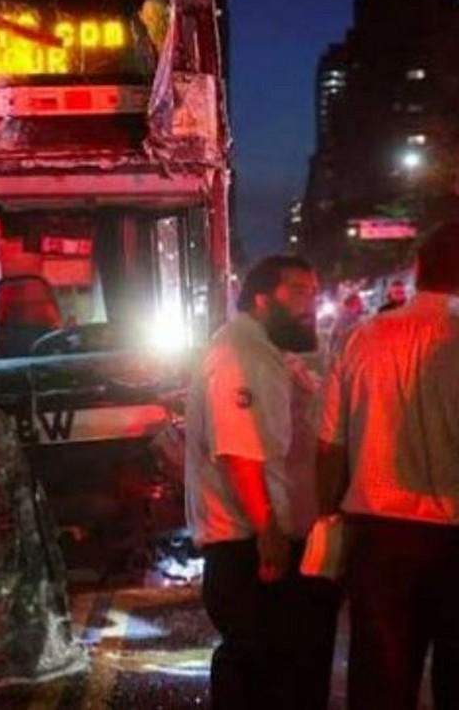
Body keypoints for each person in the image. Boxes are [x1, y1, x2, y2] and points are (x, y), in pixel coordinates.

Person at [185, 255, 338, 710]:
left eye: (313, 292)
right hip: (250, 547)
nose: (310, 304)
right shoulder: (241, 355)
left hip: (266, 540)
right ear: (261, 298)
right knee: (263, 670)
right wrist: (269, 533)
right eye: (298, 291)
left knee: (284, 665)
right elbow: (241, 453)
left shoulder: (266, 352)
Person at [318, 222, 459, 710]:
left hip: (380, 537)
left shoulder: (362, 337)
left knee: (381, 679)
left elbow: (330, 445)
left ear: (417, 270)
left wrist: (328, 517)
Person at [327, 292, 365, 359]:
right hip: (343, 354)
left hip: (339, 354)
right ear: (352, 304)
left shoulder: (345, 315)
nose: (361, 305)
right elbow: (344, 335)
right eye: (359, 303)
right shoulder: (348, 316)